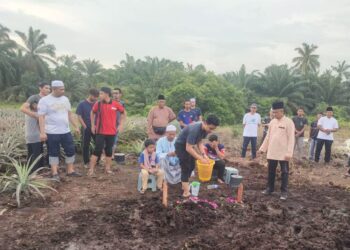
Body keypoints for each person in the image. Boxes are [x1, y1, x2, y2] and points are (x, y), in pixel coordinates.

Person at [38, 80, 81, 181]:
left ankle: (70, 171)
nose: (63, 91)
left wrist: (76, 126)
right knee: (53, 152)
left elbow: (69, 114)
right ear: (54, 89)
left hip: (66, 131)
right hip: (52, 132)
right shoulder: (45, 100)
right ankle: (54, 172)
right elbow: (41, 117)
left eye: (63, 89)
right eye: (61, 89)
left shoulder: (65, 99)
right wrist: (42, 132)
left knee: (70, 150)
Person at [175, 114, 220, 197]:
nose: (211, 131)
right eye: (210, 128)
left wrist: (204, 155)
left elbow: (199, 142)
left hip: (189, 145)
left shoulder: (205, 130)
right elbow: (188, 148)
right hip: (181, 146)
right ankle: (186, 192)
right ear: (205, 123)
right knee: (186, 167)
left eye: (213, 129)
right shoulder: (194, 129)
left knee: (191, 166)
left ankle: (184, 184)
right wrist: (200, 158)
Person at [259, 101, 295, 200]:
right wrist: (262, 148)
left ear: (282, 111)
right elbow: (268, 137)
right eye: (273, 112)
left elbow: (291, 138)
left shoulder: (289, 122)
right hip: (272, 151)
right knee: (271, 171)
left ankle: (284, 192)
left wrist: (289, 153)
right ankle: (269, 189)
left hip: (284, 153)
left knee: (285, 172)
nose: (274, 114)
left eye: (276, 112)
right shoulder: (272, 122)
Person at [88, 87, 126, 176]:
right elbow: (92, 113)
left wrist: (121, 125)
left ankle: (107, 169)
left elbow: (124, 113)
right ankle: (91, 169)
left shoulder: (115, 104)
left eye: (101, 94)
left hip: (112, 132)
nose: (99, 95)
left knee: (109, 151)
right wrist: (93, 125)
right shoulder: (98, 104)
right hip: (100, 132)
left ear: (107, 94)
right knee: (97, 150)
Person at [20, 82, 51, 172]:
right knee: (34, 151)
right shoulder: (34, 98)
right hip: (33, 128)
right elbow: (22, 108)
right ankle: (33, 173)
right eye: (46, 88)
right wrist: (36, 115)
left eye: (49, 88)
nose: (48, 90)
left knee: (41, 151)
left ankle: (40, 171)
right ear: (40, 88)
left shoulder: (48, 100)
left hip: (44, 129)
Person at [76, 88, 99, 168]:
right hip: (86, 128)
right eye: (95, 96)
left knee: (98, 144)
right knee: (86, 145)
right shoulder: (82, 104)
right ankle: (86, 162)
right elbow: (79, 116)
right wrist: (84, 126)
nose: (96, 98)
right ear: (90, 95)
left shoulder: (97, 103)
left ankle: (97, 161)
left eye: (97, 97)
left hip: (96, 128)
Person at [112, 88, 126, 153]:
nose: (115, 95)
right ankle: (105, 155)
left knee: (114, 140)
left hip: (117, 125)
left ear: (120, 94)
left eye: (117, 93)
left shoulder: (122, 103)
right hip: (109, 124)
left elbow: (123, 114)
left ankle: (111, 155)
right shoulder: (109, 102)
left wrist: (121, 125)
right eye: (114, 93)